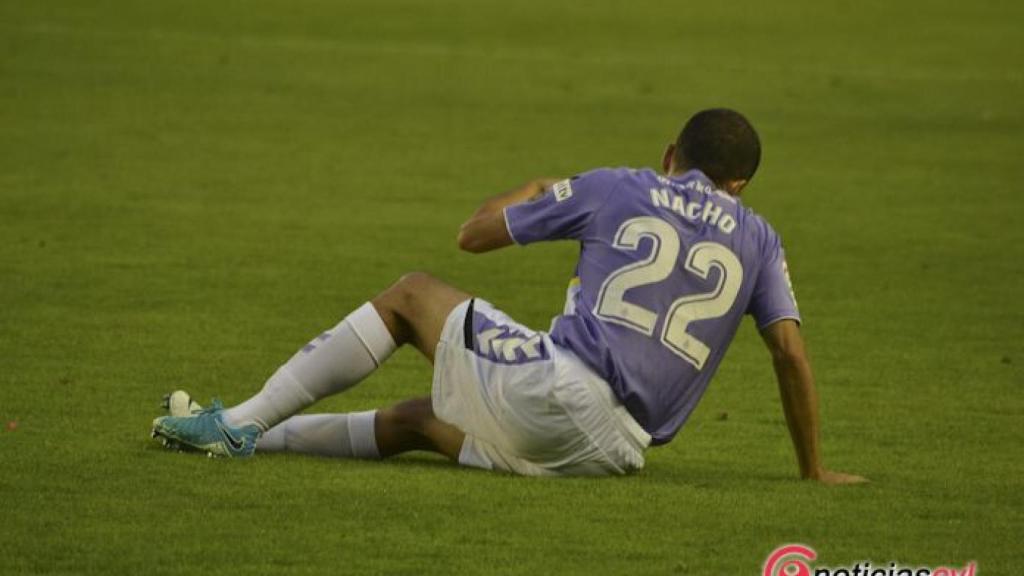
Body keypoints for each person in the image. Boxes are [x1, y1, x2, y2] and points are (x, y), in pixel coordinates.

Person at [152, 108, 866, 483]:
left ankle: (236, 422)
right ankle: (240, 439)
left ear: (670, 156)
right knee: (420, 420)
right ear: (740, 186)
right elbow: (791, 356)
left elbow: (474, 235)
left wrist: (537, 188)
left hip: (566, 393)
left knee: (410, 295)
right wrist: (812, 469)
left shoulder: (620, 182)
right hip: (616, 452)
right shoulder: (761, 238)